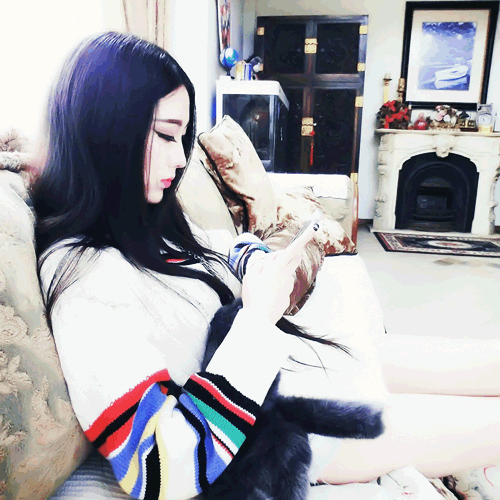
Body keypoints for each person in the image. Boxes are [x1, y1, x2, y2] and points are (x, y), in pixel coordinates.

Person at [33, 31, 500, 500]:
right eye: (165, 134)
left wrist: (259, 262)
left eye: (183, 137)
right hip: (290, 425)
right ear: (105, 130)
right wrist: (256, 319)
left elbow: (222, 245)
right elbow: (158, 468)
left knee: (480, 363)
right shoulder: (85, 281)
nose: (179, 160)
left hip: (298, 363)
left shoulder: (140, 220)